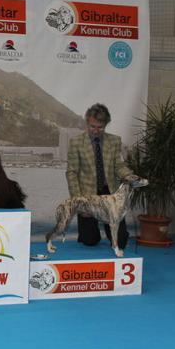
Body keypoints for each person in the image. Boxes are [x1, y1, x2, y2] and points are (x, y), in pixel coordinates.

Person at [66, 103, 134, 248]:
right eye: (92, 126)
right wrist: (79, 201)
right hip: (88, 195)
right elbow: (72, 173)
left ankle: (114, 233)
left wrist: (128, 175)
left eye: (100, 127)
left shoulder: (115, 141)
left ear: (106, 124)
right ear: (87, 122)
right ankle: (90, 232)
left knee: (121, 242)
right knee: (89, 241)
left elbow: (119, 166)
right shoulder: (76, 143)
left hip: (110, 193)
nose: (96, 130)